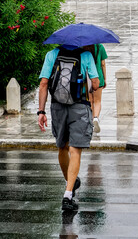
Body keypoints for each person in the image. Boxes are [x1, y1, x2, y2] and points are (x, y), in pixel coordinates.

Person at [38, 44, 99, 211]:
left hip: (57, 107)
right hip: (80, 107)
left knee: (62, 147)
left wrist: (41, 111)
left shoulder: (52, 54)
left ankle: (70, 182)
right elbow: (95, 83)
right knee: (75, 150)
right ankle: (68, 193)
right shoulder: (86, 55)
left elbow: (44, 84)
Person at [83, 44, 107, 133]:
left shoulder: (82, 47)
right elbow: (103, 64)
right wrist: (104, 78)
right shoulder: (100, 47)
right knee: (97, 101)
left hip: (87, 77)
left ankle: (90, 120)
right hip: (98, 77)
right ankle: (96, 118)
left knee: (90, 101)